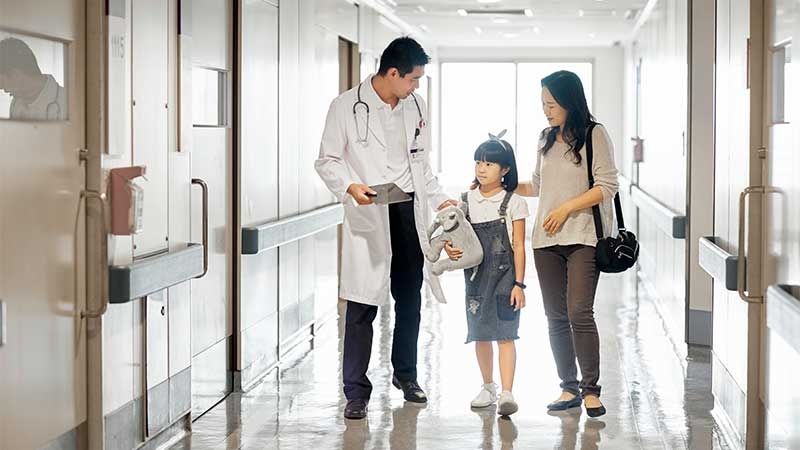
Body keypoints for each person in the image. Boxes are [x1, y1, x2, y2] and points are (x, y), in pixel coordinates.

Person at [315, 36, 455, 420]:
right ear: (392, 73)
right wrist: (348, 185)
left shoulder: (416, 106)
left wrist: (439, 197)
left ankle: (406, 376)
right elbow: (327, 160)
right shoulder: (346, 106)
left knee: (409, 300)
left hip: (408, 209)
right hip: (370, 209)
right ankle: (356, 392)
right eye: (412, 79)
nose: (416, 87)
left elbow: (422, 164)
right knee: (361, 304)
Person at [517, 70, 619, 418]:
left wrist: (565, 208)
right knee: (555, 316)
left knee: (579, 312)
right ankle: (567, 387)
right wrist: (501, 184)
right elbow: (536, 186)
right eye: (543, 104)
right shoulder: (545, 137)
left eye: (552, 104)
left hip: (583, 237)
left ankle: (591, 390)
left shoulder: (594, 134)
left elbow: (606, 186)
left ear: (570, 101)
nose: (546, 110)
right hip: (545, 240)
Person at [444, 133, 528, 416]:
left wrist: (520, 284)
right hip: (476, 279)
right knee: (480, 334)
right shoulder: (466, 200)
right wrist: (451, 250)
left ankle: (507, 392)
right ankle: (487, 386)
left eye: (489, 164)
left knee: (506, 334)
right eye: (478, 162)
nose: (481, 168)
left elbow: (518, 245)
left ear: (505, 169)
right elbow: (456, 237)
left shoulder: (514, 202)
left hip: (506, 280)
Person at [0, 37, 67, 120]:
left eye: (2, 83)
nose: (5, 91)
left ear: (15, 75)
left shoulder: (68, 102)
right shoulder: (15, 104)